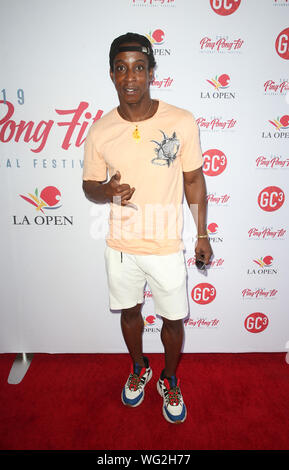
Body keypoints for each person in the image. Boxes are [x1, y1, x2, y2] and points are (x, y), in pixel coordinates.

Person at [82, 32, 212, 424]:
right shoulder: (100, 130)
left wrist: (202, 233)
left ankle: (169, 378)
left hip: (166, 245)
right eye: (122, 69)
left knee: (173, 319)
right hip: (121, 244)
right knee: (129, 313)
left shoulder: (181, 121)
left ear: (152, 72)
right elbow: (89, 186)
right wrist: (106, 190)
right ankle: (139, 367)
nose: (131, 77)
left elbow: (194, 179)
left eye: (139, 67)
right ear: (111, 75)